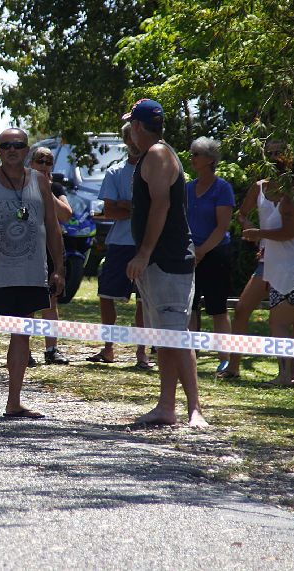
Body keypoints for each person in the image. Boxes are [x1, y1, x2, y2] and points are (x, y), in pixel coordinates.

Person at [0, 128, 65, 418]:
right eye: (5, 145)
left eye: (18, 145)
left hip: (31, 274)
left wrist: (59, 268)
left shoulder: (40, 182)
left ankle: (14, 402)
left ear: (26, 149)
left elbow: (53, 226)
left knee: (23, 334)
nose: (12, 150)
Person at [123, 99, 208, 428]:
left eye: (132, 124)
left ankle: (194, 410)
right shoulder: (152, 155)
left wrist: (144, 253)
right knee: (165, 338)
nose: (129, 130)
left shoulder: (158, 154)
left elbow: (161, 205)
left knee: (176, 335)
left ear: (139, 127)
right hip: (159, 261)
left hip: (168, 259)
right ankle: (166, 406)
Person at [224, 141, 294, 379]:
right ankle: (234, 367)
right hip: (275, 261)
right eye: (270, 154)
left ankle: (288, 375)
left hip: (292, 265)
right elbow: (242, 215)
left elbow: (293, 230)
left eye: (278, 154)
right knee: (244, 309)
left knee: (283, 322)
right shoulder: (261, 187)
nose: (274, 158)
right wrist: (251, 229)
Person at [87, 121, 150, 369]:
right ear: (126, 142)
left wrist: (126, 205)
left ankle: (141, 353)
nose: (134, 143)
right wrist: (133, 208)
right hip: (120, 243)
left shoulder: (154, 170)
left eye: (137, 137)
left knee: (144, 299)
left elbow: (155, 209)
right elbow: (109, 210)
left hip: (147, 243)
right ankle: (109, 348)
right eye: (130, 138)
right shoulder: (115, 172)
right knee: (106, 294)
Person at [184, 137, 235, 373]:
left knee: (217, 307)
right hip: (189, 254)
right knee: (190, 307)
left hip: (215, 254)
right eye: (192, 153)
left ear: (210, 160)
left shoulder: (222, 188)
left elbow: (222, 226)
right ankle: (191, 356)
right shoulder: (186, 188)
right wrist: (191, 250)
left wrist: (202, 251)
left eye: (197, 154)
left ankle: (225, 359)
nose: (192, 158)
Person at [28, 146, 72, 365]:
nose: (44, 165)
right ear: (31, 163)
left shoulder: (55, 187)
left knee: (50, 301)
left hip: (49, 248)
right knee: (25, 301)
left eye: (48, 162)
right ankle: (23, 349)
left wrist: (47, 190)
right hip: (27, 248)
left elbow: (66, 215)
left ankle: (51, 349)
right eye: (40, 161)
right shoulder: (21, 184)